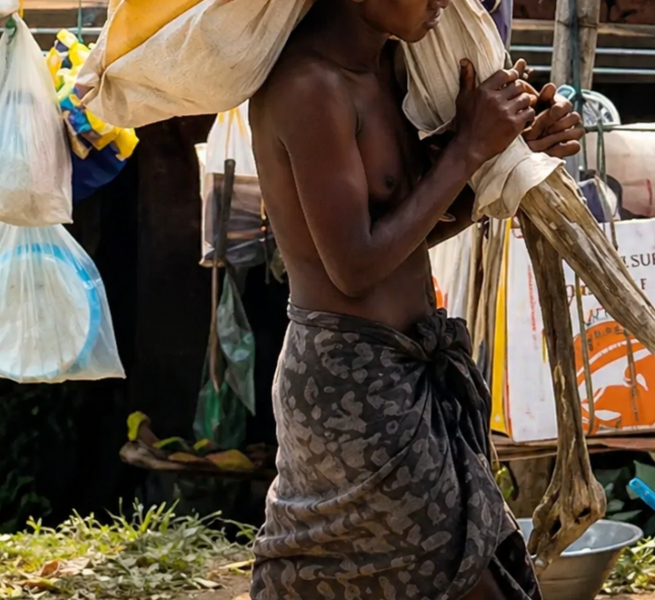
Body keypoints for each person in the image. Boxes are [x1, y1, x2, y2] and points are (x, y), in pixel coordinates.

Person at [247, 0, 584, 598]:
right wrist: (468, 149)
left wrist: (514, 154)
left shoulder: (393, 69)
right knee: (466, 581)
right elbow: (355, 267)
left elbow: (411, 232)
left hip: (411, 369)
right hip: (351, 389)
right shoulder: (309, 87)